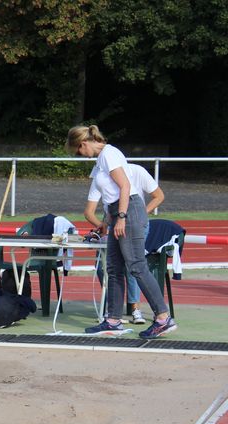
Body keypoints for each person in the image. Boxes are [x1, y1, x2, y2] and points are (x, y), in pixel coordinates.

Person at [67, 125, 176, 338]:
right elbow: (111, 195)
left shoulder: (109, 154)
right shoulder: (101, 160)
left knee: (136, 266)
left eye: (78, 151)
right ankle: (113, 320)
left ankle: (163, 318)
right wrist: (107, 221)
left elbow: (125, 186)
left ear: (83, 143)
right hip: (116, 212)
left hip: (129, 211)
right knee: (114, 268)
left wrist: (122, 217)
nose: (81, 155)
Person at [85, 163, 165, 324]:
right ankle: (113, 315)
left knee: (133, 266)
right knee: (109, 266)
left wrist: (139, 214)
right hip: (114, 220)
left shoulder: (136, 171)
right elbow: (89, 211)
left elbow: (158, 195)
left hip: (132, 219)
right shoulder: (101, 176)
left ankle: (140, 310)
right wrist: (104, 225)